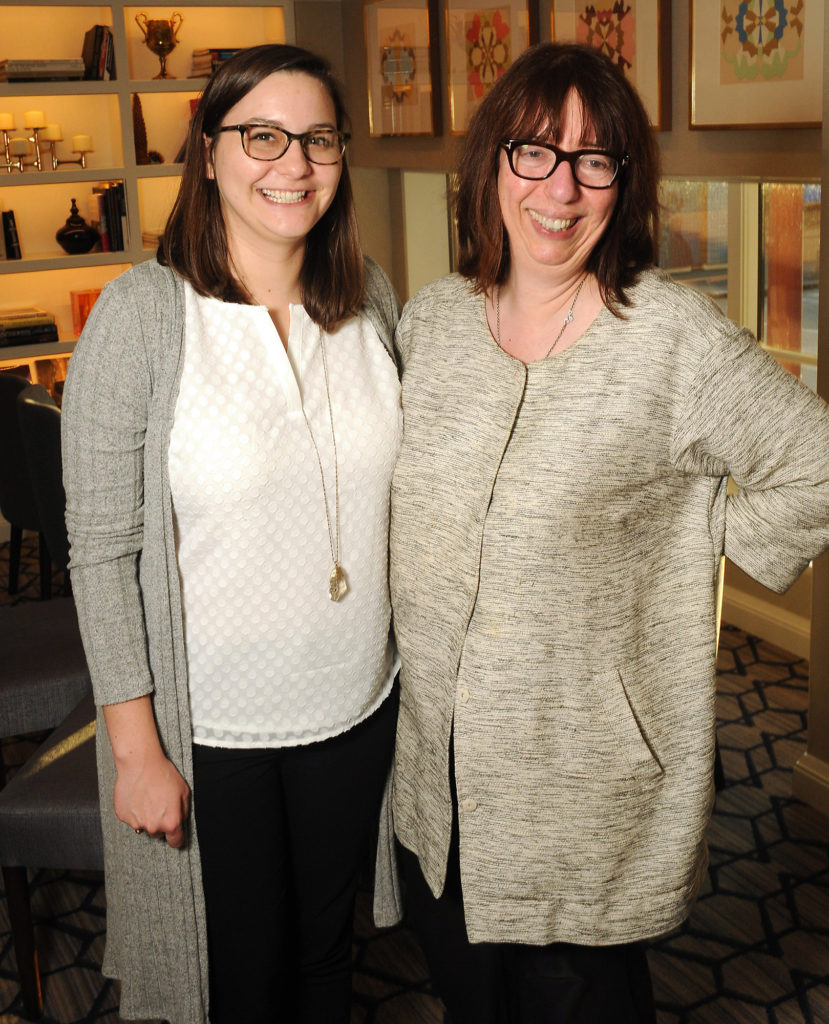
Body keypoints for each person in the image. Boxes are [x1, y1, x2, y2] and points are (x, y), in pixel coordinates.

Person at [387, 41, 829, 1024]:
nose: (561, 187)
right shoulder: (432, 325)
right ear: (491, 165)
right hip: (436, 779)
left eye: (595, 160)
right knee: (466, 998)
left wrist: (692, 539)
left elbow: (817, 462)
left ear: (623, 183)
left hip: (580, 784)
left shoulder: (669, 337)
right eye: (534, 152)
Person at [62, 44, 401, 1024]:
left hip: (355, 704)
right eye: (262, 135)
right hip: (213, 733)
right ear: (207, 153)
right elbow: (101, 549)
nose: (291, 164)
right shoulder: (142, 318)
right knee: (240, 982)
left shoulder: (368, 297)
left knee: (328, 960)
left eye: (317, 139)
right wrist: (135, 750)